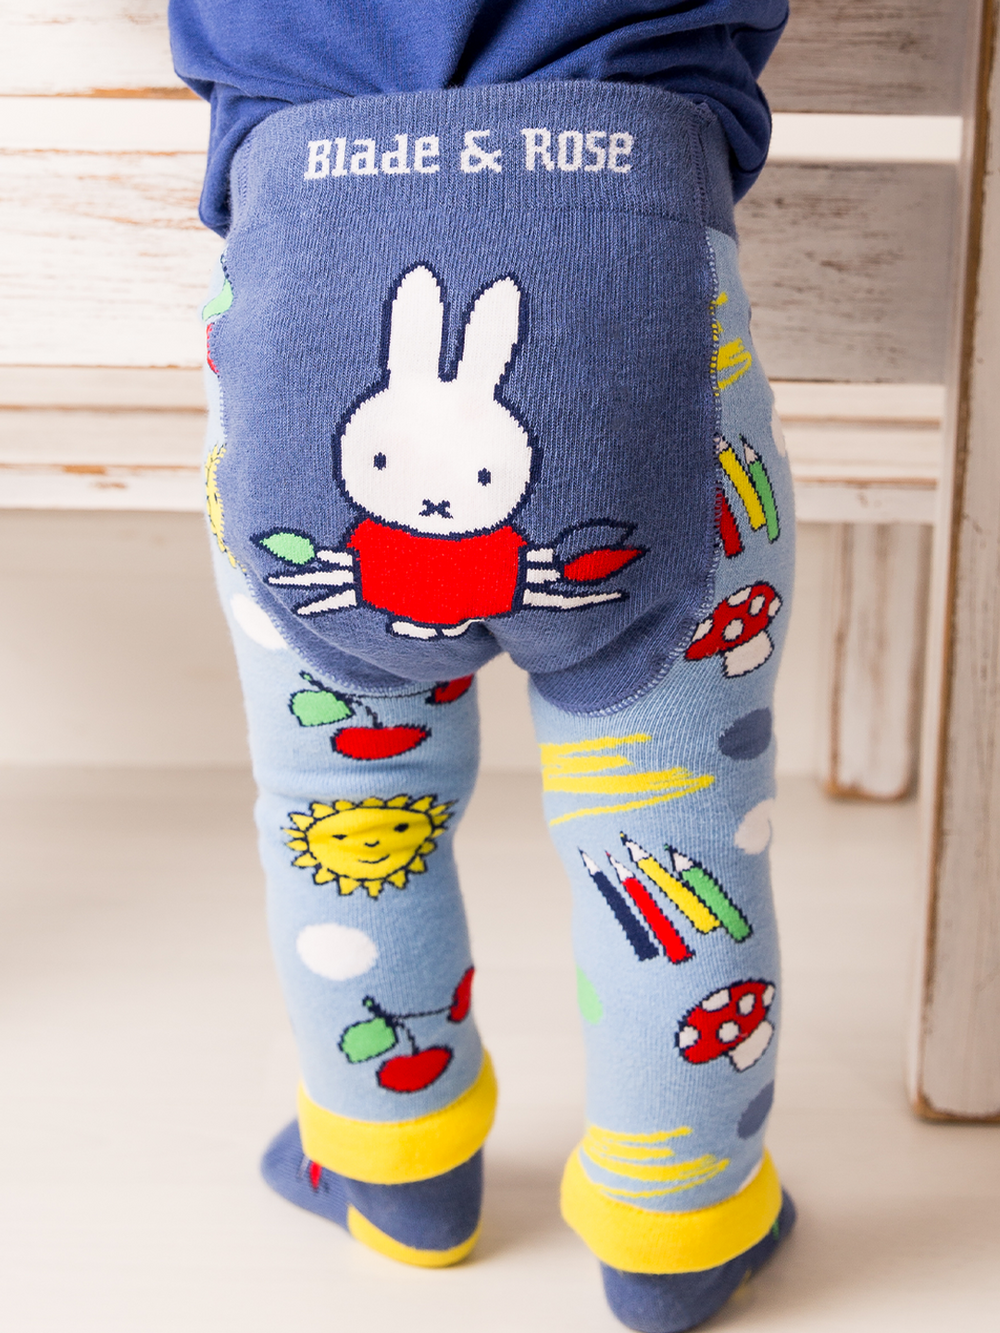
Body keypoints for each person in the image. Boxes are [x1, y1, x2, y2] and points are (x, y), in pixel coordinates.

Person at [169, 4, 794, 1329]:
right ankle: (679, 1230)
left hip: (303, 287)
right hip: (636, 265)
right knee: (672, 824)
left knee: (341, 805)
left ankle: (394, 1169)